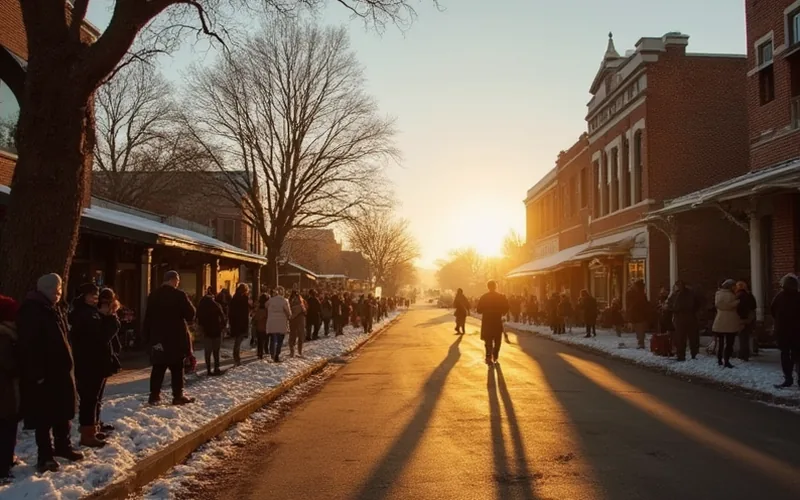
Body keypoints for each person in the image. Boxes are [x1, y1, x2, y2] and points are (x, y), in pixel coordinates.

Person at [18, 274, 84, 473]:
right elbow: (29, 345)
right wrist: (37, 373)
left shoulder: (54, 309)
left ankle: (63, 446)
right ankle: (45, 456)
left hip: (60, 372)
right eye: (55, 291)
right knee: (44, 416)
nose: (58, 295)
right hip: (44, 374)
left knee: (62, 412)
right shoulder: (32, 311)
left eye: (59, 291)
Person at [69, 283, 121, 448]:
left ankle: (94, 426)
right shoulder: (85, 314)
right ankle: (87, 433)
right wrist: (110, 319)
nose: (95, 297)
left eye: (96, 294)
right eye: (91, 294)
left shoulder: (89, 312)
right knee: (89, 399)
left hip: (95, 361)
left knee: (95, 398)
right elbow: (101, 337)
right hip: (89, 362)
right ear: (83, 295)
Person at [143, 271, 197, 406]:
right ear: (174, 280)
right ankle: (177, 396)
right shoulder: (179, 295)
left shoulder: (153, 296)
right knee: (177, 368)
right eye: (177, 281)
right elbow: (191, 314)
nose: (177, 283)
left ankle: (154, 396)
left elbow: (147, 318)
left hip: (158, 338)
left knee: (158, 368)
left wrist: (147, 339)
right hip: (176, 338)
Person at [0, 295, 20, 483]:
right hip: (5, 390)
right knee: (7, 425)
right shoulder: (5, 336)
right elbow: (9, 364)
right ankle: (3, 466)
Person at [771, 274, 800, 388]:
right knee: (798, 354)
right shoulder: (799, 297)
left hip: (783, 331)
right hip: (797, 331)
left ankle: (788, 378)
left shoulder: (779, 297)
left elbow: (772, 310)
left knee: (785, 354)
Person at [477, 280, 509, 365]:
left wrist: (486, 310)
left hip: (487, 321)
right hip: (497, 321)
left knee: (488, 340)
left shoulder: (484, 297)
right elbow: (506, 308)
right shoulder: (501, 297)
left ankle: (488, 356)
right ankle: (495, 354)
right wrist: (501, 312)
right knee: (497, 340)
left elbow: (478, 310)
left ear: (488, 287)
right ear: (496, 287)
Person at [668, 280, 700, 361]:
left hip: (681, 318)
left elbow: (674, 306)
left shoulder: (677, 294)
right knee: (692, 337)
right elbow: (696, 304)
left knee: (681, 337)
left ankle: (681, 355)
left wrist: (670, 308)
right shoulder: (691, 293)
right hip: (691, 317)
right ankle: (693, 354)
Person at [712, 279, 741, 369]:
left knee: (720, 342)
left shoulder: (718, 294)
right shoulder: (731, 295)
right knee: (729, 343)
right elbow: (729, 305)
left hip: (719, 320)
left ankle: (719, 359)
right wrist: (737, 302)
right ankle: (727, 360)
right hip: (730, 321)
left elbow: (719, 305)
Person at [197, 286, 226, 376]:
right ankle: (216, 368)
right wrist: (222, 327)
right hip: (216, 331)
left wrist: (201, 328)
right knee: (216, 351)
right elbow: (222, 317)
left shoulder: (201, 305)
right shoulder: (216, 305)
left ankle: (208, 369)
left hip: (206, 331)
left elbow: (198, 318)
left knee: (207, 352)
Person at [228, 284, 251, 367]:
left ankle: (237, 358)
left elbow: (230, 312)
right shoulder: (243, 298)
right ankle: (236, 359)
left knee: (238, 341)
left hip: (235, 323)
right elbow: (247, 310)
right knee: (238, 342)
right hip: (241, 323)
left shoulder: (234, 298)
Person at [267, 289, 291, 362]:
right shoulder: (285, 301)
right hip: (281, 323)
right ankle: (277, 354)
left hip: (272, 322)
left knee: (273, 339)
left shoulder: (271, 300)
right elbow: (289, 313)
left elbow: (265, 305)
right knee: (280, 340)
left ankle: (272, 354)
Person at [735, 281, 757, 361]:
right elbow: (754, 305)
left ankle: (742, 354)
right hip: (749, 318)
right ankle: (746, 354)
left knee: (742, 336)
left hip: (741, 318)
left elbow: (738, 307)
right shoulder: (749, 295)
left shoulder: (738, 296)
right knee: (746, 337)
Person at [626, 280, 650, 348]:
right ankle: (640, 342)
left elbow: (639, 305)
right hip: (637, 315)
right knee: (638, 329)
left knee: (640, 329)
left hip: (639, 315)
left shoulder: (639, 295)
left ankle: (641, 343)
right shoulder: (639, 294)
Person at [289, 290, 307, 357]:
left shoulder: (289, 300)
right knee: (300, 335)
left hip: (293, 320)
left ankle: (292, 351)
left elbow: (288, 310)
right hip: (300, 319)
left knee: (292, 335)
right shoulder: (301, 300)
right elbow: (305, 310)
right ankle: (300, 351)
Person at [252, 294, 269, 359]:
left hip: (259, 325)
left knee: (260, 340)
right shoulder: (267, 308)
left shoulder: (258, 307)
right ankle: (266, 350)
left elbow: (255, 316)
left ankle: (260, 352)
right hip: (266, 325)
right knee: (265, 339)